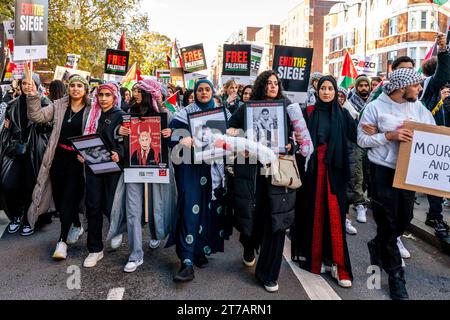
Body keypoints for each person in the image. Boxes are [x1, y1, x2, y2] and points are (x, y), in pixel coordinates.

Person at [358, 68, 435, 300]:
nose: (420, 89)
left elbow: (431, 133)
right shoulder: (374, 108)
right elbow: (362, 139)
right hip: (382, 172)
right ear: (403, 88)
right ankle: (396, 278)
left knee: (405, 219)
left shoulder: (418, 107)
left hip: (408, 172)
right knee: (388, 223)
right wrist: (388, 136)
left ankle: (377, 244)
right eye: (417, 86)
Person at [227, 70, 302, 293]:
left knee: (276, 221)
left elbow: (298, 137)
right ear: (261, 85)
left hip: (278, 171)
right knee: (254, 217)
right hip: (252, 172)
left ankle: (269, 273)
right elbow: (229, 130)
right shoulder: (247, 108)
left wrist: (291, 146)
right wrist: (244, 144)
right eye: (268, 83)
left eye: (276, 83)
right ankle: (249, 246)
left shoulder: (288, 108)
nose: (273, 86)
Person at [291, 75, 357, 288]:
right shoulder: (307, 113)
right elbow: (296, 138)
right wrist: (296, 140)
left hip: (335, 172)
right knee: (314, 214)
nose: (326, 92)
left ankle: (339, 265)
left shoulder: (344, 114)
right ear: (317, 91)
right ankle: (316, 258)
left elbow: (357, 138)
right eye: (323, 88)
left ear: (336, 91)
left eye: (330, 88)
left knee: (335, 216)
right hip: (312, 172)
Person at [168, 79, 230, 283]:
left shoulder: (223, 113)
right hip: (191, 168)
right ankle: (186, 261)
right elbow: (170, 136)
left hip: (213, 168)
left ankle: (201, 251)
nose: (204, 92)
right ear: (195, 92)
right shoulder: (184, 112)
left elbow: (233, 136)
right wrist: (181, 139)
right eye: (200, 89)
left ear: (212, 92)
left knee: (209, 211)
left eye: (207, 89)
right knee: (189, 209)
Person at [26, 75, 91, 260]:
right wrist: (33, 96)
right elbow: (37, 116)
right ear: (68, 88)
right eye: (72, 85)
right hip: (57, 159)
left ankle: (61, 242)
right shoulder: (59, 105)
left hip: (78, 161)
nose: (76, 89)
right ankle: (76, 224)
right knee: (61, 199)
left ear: (85, 89)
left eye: (79, 86)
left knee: (69, 199)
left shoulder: (92, 108)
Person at [117, 79, 176, 273]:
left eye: (139, 91)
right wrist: (121, 131)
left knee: (156, 204)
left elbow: (179, 138)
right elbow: (122, 139)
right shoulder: (129, 113)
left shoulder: (165, 114)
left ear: (149, 94)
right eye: (134, 90)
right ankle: (135, 254)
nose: (135, 93)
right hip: (133, 168)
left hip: (157, 168)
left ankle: (156, 233)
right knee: (133, 208)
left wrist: (171, 133)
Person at [79, 82, 124, 268]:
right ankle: (95, 249)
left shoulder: (121, 116)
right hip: (93, 167)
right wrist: (81, 152)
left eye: (107, 95)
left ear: (114, 97)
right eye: (100, 95)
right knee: (93, 207)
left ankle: (117, 229)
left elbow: (126, 141)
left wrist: (119, 153)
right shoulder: (92, 114)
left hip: (112, 169)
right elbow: (86, 139)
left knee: (110, 205)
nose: (103, 98)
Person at [0, 74, 52, 236]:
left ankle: (30, 220)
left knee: (32, 187)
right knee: (8, 184)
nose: (27, 86)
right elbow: (6, 130)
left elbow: (49, 128)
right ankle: (16, 215)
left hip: (35, 152)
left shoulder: (45, 103)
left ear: (37, 85)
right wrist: (6, 147)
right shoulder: (12, 104)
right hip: (14, 152)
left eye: (31, 83)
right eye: (24, 83)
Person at [418, 33, 450, 244]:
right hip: (432, 141)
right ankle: (435, 216)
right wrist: (444, 51)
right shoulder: (430, 86)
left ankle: (435, 214)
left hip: (444, 139)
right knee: (435, 179)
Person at [348, 75, 372, 223]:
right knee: (358, 175)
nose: (364, 88)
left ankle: (362, 198)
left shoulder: (373, 103)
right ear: (356, 88)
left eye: (366, 85)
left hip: (370, 144)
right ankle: (359, 204)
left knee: (367, 174)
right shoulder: (350, 104)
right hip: (356, 144)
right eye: (361, 86)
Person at [337, 87, 359, 236]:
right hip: (330, 160)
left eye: (341, 96)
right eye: (336, 95)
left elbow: (355, 135)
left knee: (347, 189)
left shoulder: (347, 113)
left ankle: (345, 219)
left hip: (347, 156)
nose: (339, 98)